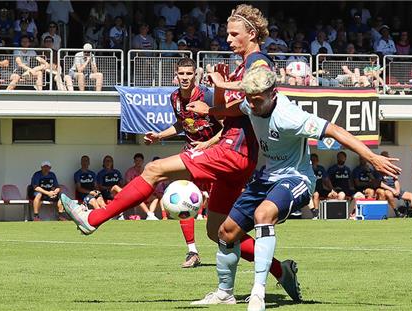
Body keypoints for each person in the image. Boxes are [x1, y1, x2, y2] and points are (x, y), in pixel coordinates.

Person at [60, 4, 301, 303]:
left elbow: (264, 82)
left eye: (233, 34)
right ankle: (281, 271)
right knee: (220, 232)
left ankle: (93, 219)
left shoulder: (257, 60)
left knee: (153, 170)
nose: (227, 39)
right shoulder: (240, 65)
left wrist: (220, 91)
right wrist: (219, 95)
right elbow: (233, 109)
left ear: (251, 34)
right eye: (227, 33)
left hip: (231, 150)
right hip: (238, 156)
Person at [186, 65, 400, 310]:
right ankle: (225, 293)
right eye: (250, 100)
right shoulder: (252, 102)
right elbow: (239, 108)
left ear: (272, 94)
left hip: (296, 179)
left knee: (262, 215)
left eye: (257, 100)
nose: (252, 105)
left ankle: (258, 292)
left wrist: (371, 157)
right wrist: (212, 110)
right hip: (265, 179)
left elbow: (335, 130)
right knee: (226, 233)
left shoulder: (290, 116)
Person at [145, 57, 223, 266]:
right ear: (176, 75)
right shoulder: (175, 98)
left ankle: (231, 246)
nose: (185, 77)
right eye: (182, 74)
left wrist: (207, 144)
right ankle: (192, 252)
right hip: (191, 154)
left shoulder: (208, 95)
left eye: (189, 74)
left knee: (221, 205)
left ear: (195, 75)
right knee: (184, 198)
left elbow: (227, 127)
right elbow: (181, 125)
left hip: (215, 154)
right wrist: (159, 136)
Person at [376, 151, 412, 219]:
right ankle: (397, 212)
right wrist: (392, 190)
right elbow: (380, 184)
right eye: (385, 157)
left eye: (387, 157)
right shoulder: (378, 169)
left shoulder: (392, 169)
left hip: (394, 189)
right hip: (386, 189)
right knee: (389, 194)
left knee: (411, 195)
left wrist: (397, 190)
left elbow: (396, 181)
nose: (387, 158)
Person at [122, 153, 158, 221]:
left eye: (140, 161)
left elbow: (150, 182)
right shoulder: (130, 172)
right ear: (134, 161)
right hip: (134, 194)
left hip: (145, 193)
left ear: (143, 161)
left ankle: (151, 214)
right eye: (136, 161)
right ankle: (149, 214)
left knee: (155, 198)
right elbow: (128, 184)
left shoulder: (146, 171)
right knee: (138, 199)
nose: (138, 162)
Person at [310, 153, 330, 219]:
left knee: (333, 195)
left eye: (315, 160)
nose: (313, 161)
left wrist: (332, 189)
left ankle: (331, 214)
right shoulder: (308, 169)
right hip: (312, 189)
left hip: (321, 188)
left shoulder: (321, 168)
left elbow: (326, 180)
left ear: (317, 160)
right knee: (316, 194)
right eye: (312, 160)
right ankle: (316, 214)